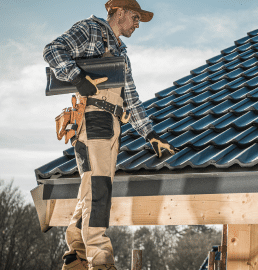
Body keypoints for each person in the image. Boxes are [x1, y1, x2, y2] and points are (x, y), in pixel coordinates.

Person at [43, 1, 178, 269]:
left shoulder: (121, 52)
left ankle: (77, 253)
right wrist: (77, 77)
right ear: (119, 12)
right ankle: (101, 258)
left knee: (91, 187)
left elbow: (131, 98)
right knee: (100, 187)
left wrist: (150, 134)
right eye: (135, 17)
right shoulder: (91, 29)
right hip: (94, 119)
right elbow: (52, 50)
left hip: (112, 122)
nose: (138, 24)